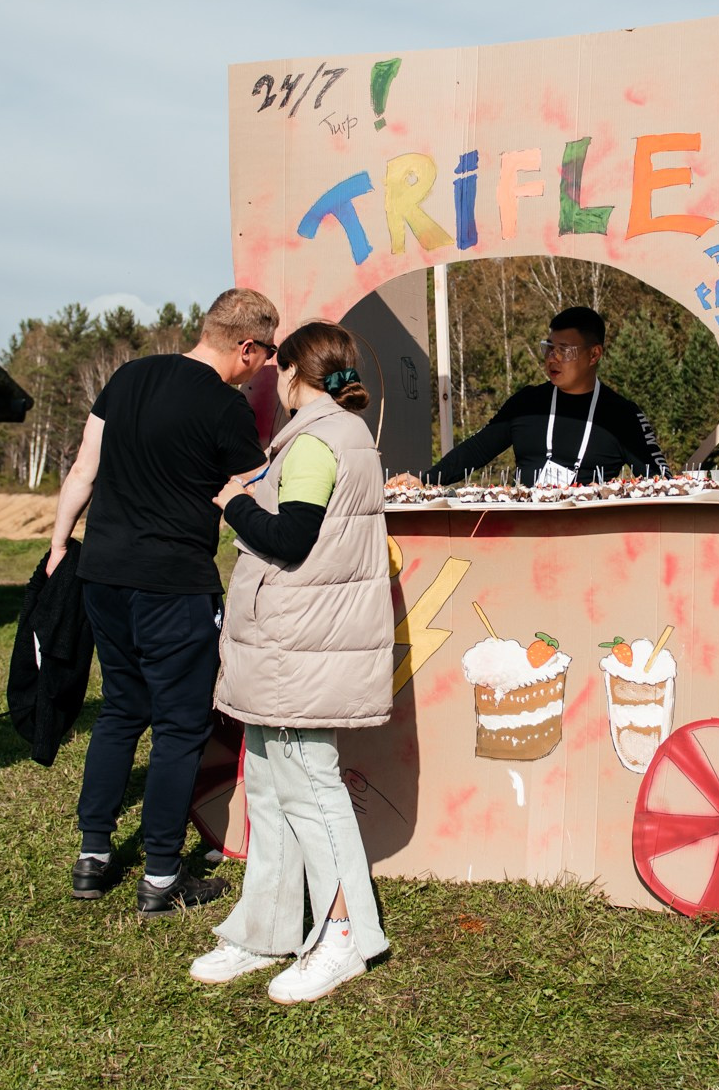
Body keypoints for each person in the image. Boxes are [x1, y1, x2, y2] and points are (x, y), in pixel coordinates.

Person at [45, 288, 276, 915]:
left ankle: (93, 856)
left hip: (103, 572)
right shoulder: (227, 409)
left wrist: (60, 544)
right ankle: (162, 875)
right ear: (246, 347)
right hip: (173, 583)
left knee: (121, 710)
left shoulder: (129, 376)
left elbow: (83, 469)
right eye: (267, 354)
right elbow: (257, 491)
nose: (265, 367)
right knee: (179, 725)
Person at [185, 321, 396, 1003]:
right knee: (274, 791)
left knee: (309, 786)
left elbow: (291, 538)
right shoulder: (341, 434)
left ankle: (344, 936)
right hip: (296, 645)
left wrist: (235, 503)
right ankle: (266, 929)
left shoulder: (314, 441)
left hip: (300, 646)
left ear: (295, 374)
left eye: (280, 369)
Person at [402, 305, 667, 488]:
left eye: (564, 350)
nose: (553, 358)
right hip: (523, 533)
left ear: (594, 355)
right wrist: (426, 480)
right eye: (549, 348)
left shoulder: (623, 415)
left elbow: (661, 481)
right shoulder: (527, 403)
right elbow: (478, 448)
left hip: (587, 539)